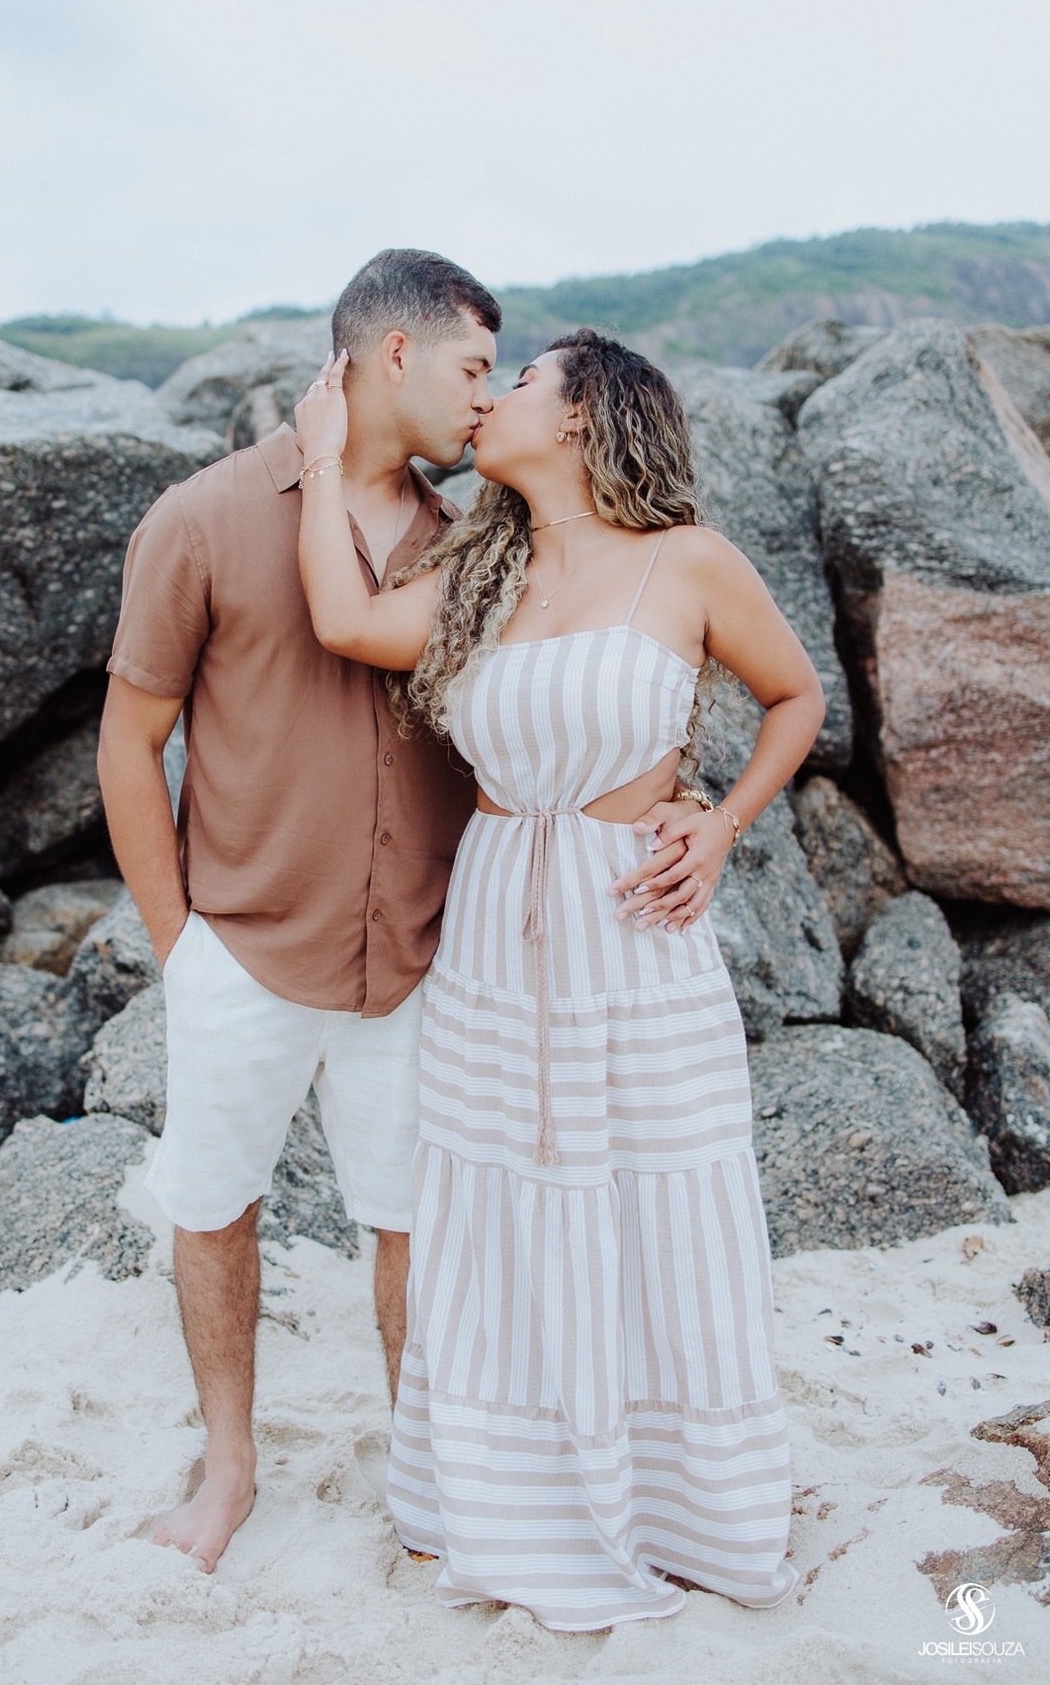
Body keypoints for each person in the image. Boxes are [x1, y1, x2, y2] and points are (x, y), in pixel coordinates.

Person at [293, 329, 825, 1630]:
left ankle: (675, 1502)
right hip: (494, 939)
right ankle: (516, 1492)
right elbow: (347, 620)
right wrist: (319, 458)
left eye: (521, 379)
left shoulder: (686, 562)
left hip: (634, 937)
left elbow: (794, 695)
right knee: (502, 1197)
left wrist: (721, 821)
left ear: (587, 415)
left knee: (654, 1193)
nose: (493, 397)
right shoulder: (481, 571)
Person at [96, 249, 504, 1573]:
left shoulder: (476, 546)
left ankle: (423, 1477)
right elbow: (128, 743)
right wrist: (181, 948)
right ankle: (229, 1469)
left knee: (411, 1225)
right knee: (214, 1209)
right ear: (395, 355)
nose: (485, 401)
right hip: (244, 954)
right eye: (472, 367)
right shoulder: (204, 519)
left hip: (416, 957)